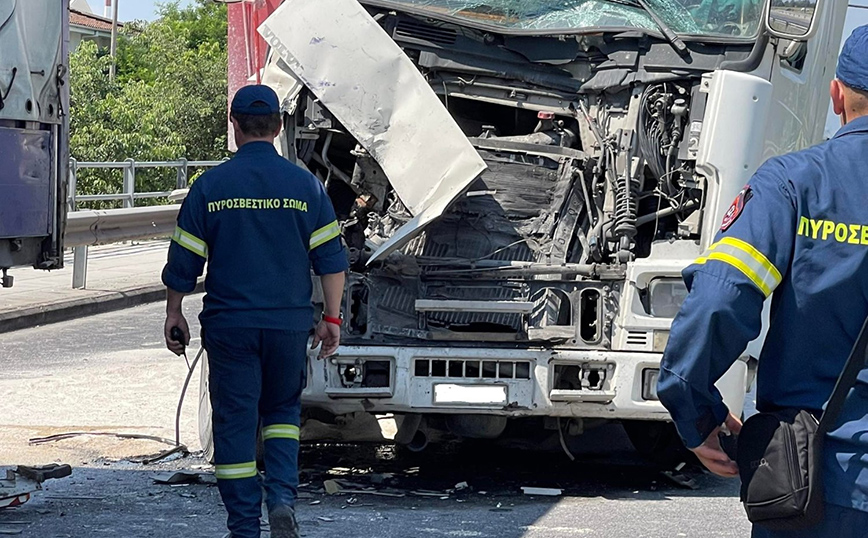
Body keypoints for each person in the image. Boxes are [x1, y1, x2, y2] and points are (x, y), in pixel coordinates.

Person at [657, 25, 868, 537]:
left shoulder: (793, 184)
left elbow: (718, 299)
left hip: (821, 484)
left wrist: (697, 413)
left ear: (836, 96)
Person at [161, 85, 348, 538]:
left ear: (235, 125)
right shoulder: (306, 187)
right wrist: (332, 319)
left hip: (231, 327)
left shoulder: (210, 187)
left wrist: (174, 313)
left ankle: (245, 527)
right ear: (279, 127)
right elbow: (331, 261)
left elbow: (184, 262)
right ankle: (281, 499)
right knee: (282, 414)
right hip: (288, 325)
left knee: (236, 424)